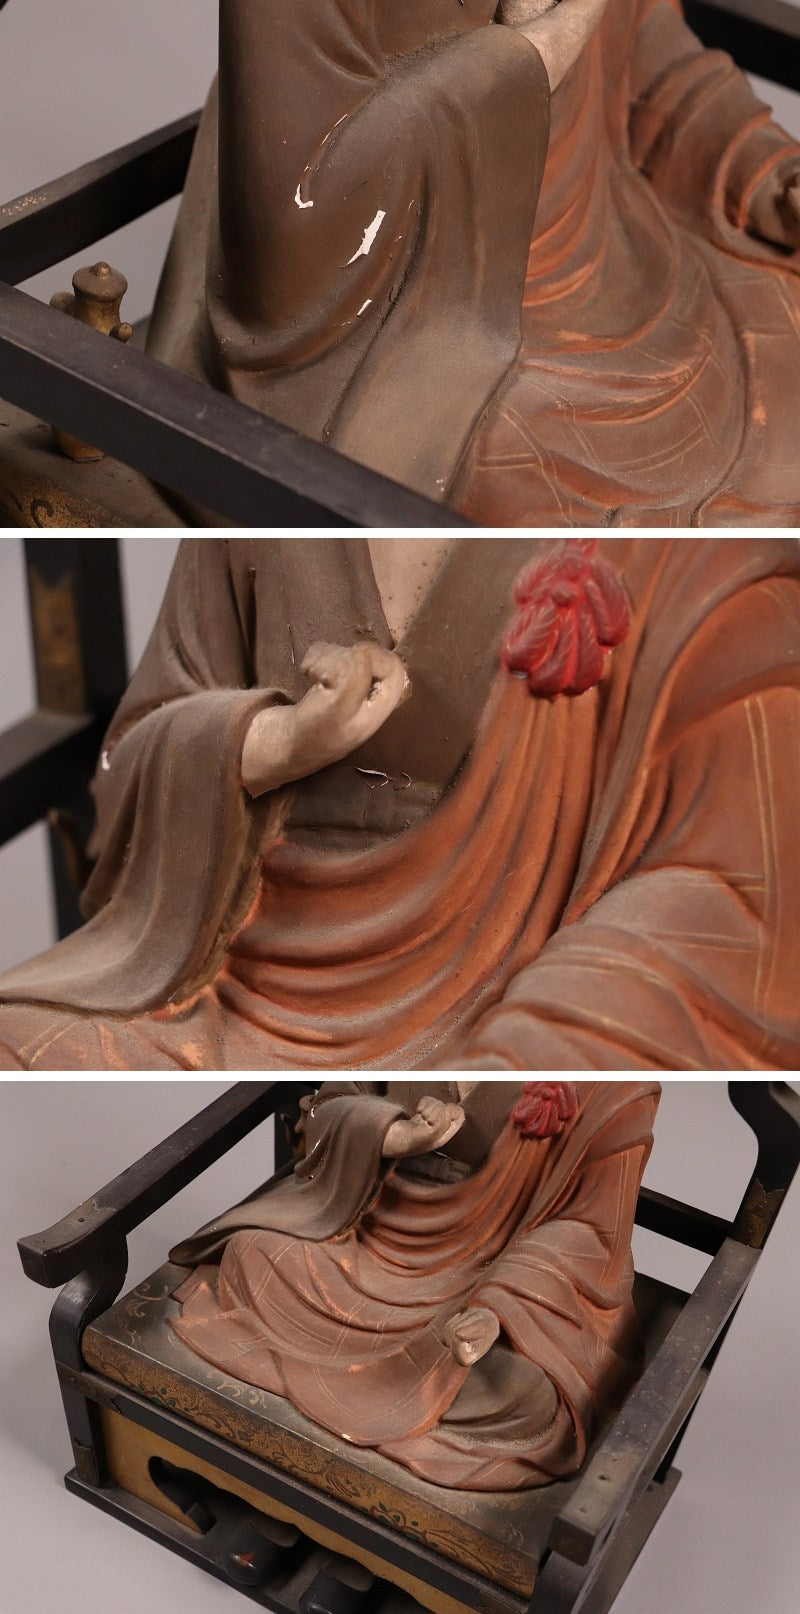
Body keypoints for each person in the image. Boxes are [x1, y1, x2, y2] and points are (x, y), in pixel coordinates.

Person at [0, 536, 798, 1070]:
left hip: (497, 986)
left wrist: (543, 1036)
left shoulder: (679, 536)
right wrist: (275, 741)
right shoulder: (258, 470)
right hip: (233, 955)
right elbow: (126, 759)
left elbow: (730, 882)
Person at [146, 1, 800, 522]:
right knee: (518, 486)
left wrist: (763, 169)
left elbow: (654, 60)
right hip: (409, 314)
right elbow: (302, 226)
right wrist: (538, 48)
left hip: (623, 253)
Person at [168, 1080, 660, 1490]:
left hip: (484, 1274)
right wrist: (389, 1135)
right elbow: (329, 1104)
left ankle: (387, 1384)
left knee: (528, 1397)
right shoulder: (420, 1010)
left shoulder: (611, 1080)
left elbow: (590, 1232)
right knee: (251, 1253)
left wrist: (498, 1309)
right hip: (366, 1233)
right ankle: (382, 1389)